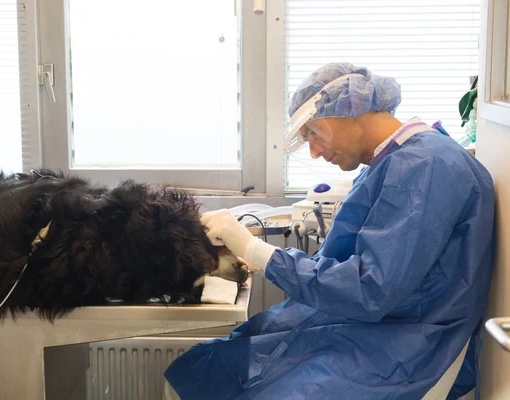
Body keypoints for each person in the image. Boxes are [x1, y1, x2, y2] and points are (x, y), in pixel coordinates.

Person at [164, 62, 495, 399]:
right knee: (205, 367)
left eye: (314, 133)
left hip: (407, 349)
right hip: (360, 329)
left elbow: (371, 290)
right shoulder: (391, 163)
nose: (314, 151)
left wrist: (256, 251)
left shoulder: (428, 166)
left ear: (351, 110)